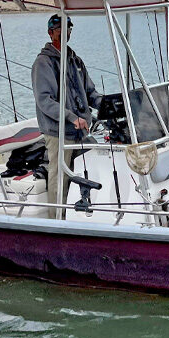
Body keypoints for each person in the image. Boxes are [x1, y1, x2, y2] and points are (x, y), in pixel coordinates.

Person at [31, 14, 102, 217]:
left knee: (86, 170)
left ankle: (80, 215)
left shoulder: (75, 60)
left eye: (69, 28)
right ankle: (57, 219)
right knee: (59, 176)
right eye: (60, 28)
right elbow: (45, 101)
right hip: (58, 132)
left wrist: (109, 105)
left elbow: (91, 93)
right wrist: (72, 117)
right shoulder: (43, 63)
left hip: (80, 131)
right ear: (50, 32)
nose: (66, 32)